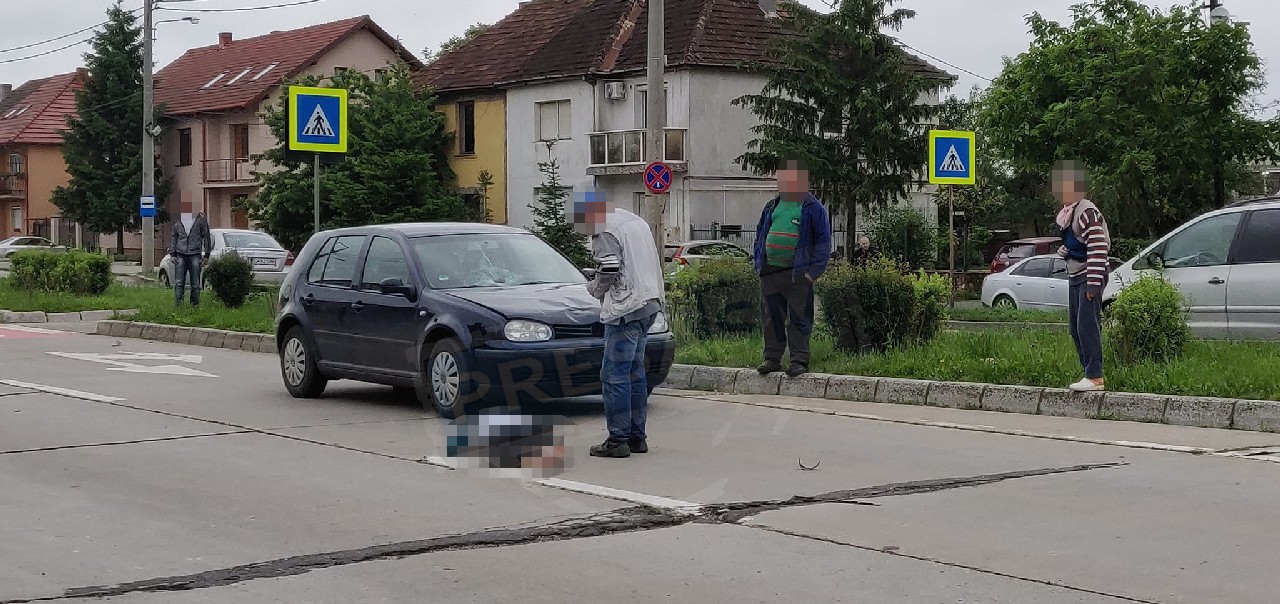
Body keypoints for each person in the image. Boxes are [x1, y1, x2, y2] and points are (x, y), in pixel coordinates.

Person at [575, 190, 664, 458]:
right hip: (649, 302)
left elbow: (611, 267)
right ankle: (637, 437)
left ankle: (618, 439)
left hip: (625, 309)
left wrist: (595, 288)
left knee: (614, 376)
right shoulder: (633, 221)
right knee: (635, 373)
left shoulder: (604, 228)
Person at [752, 158, 833, 378]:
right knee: (771, 317)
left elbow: (824, 243)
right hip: (770, 271)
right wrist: (758, 261)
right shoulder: (773, 205)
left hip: (798, 274)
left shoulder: (812, 207)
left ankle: (798, 361)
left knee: (799, 317)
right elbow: (760, 234)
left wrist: (812, 273)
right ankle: (772, 358)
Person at [1053, 160, 1111, 392]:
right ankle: (1087, 372)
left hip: (1090, 274)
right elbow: (1078, 242)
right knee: (1075, 328)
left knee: (1087, 325)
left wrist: (1093, 285)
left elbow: (1098, 247)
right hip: (1076, 274)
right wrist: (1065, 252)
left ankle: (1095, 376)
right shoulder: (1069, 213)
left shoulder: (1086, 211)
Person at [169, 212, 212, 306]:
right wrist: (172, 254)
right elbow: (174, 236)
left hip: (195, 254)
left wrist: (206, 255)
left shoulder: (201, 218)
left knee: (195, 283)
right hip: (180, 254)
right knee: (179, 283)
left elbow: (206, 237)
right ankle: (178, 307)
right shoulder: (178, 218)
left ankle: (194, 307)